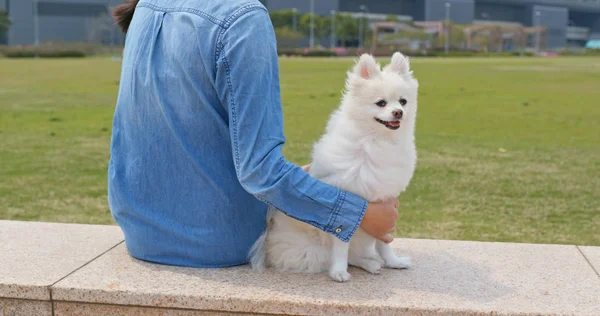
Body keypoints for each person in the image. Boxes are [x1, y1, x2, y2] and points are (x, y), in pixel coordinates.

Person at [108, 0, 400, 268]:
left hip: (141, 233)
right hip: (218, 241)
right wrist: (358, 214)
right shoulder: (242, 19)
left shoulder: (148, 6)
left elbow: (180, 136)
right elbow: (260, 171)